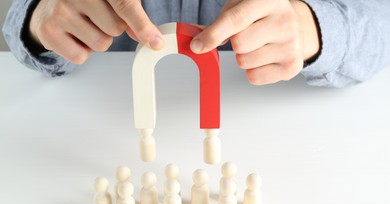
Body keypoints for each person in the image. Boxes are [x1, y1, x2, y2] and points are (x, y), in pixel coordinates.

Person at [2, 0, 390, 87]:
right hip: (92, 116)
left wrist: (316, 27)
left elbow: (379, 18)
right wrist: (40, 18)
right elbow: (26, 17)